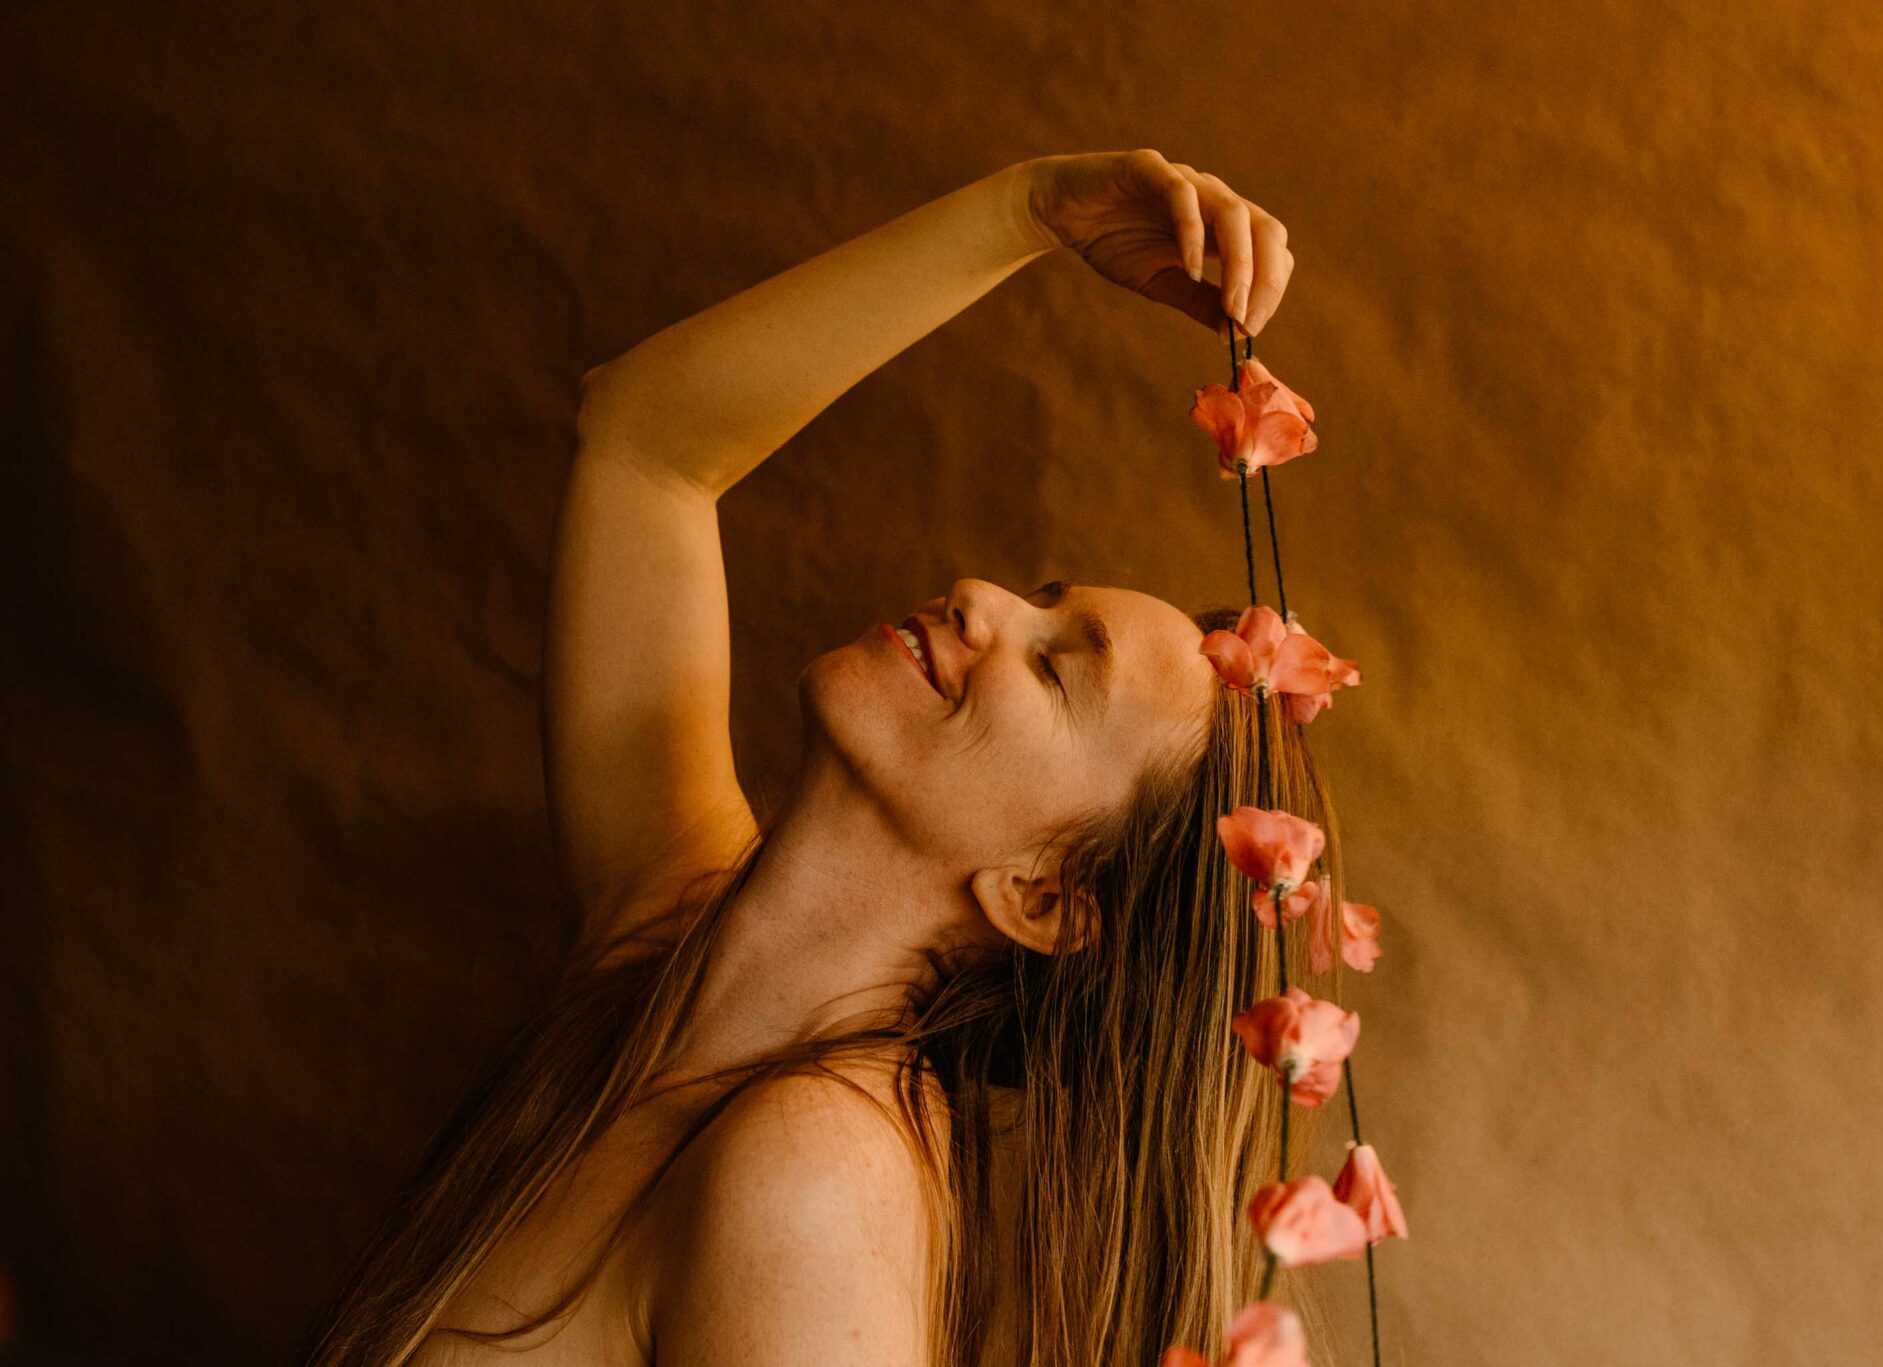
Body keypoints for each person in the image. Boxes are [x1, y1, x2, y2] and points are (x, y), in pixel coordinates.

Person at [304, 150, 1343, 1367]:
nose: (980, 597)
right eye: (1039, 594)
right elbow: (644, 442)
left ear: (1044, 896)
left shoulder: (818, 1168)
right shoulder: (658, 936)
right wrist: (1028, 211)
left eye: (1056, 665)